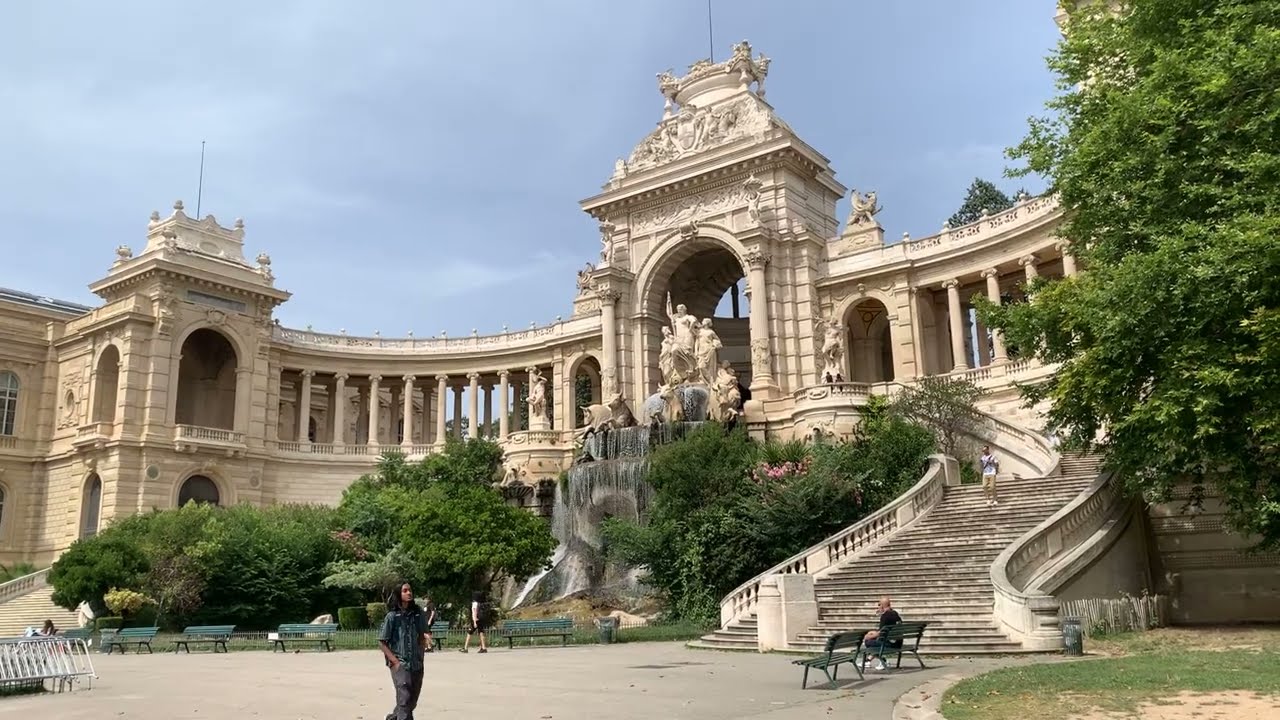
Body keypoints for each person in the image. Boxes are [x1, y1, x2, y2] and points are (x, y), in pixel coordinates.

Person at [377, 581, 428, 720]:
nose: (409, 593)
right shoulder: (392, 617)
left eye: (410, 590)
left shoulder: (417, 614)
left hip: (416, 663)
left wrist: (421, 653)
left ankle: (393, 718)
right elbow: (382, 642)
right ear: (399, 594)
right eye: (405, 591)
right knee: (404, 699)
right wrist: (395, 662)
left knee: (411, 701)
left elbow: (423, 634)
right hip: (400, 664)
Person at [861, 597, 902, 671]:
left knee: (868, 642)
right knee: (874, 638)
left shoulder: (885, 616)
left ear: (882, 605)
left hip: (890, 644)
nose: (878, 606)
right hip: (898, 642)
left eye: (879, 604)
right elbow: (883, 631)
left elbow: (881, 633)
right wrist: (873, 633)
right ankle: (868, 660)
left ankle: (884, 661)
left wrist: (868, 636)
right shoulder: (895, 613)